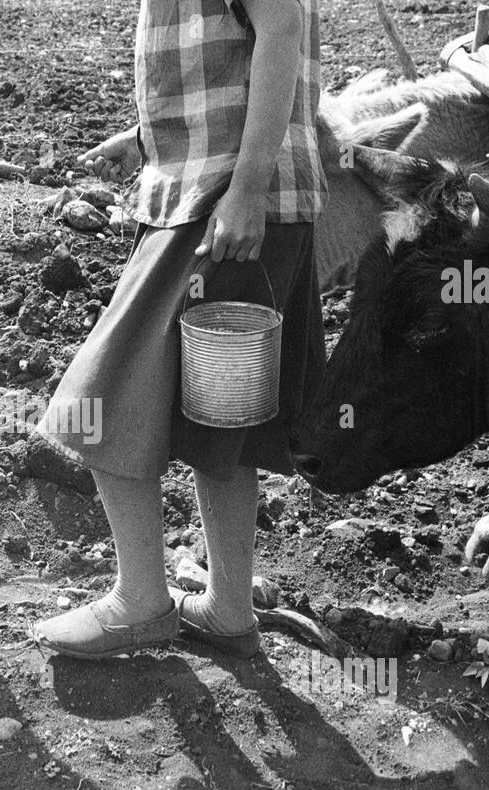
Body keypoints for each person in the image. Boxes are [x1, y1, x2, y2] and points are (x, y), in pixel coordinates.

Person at [32, 0, 326, 659]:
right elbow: (222, 57)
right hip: (219, 193)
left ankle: (140, 602)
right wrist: (143, 142)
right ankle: (227, 609)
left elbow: (281, 31)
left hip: (221, 202)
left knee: (99, 399)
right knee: (223, 419)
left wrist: (246, 187)